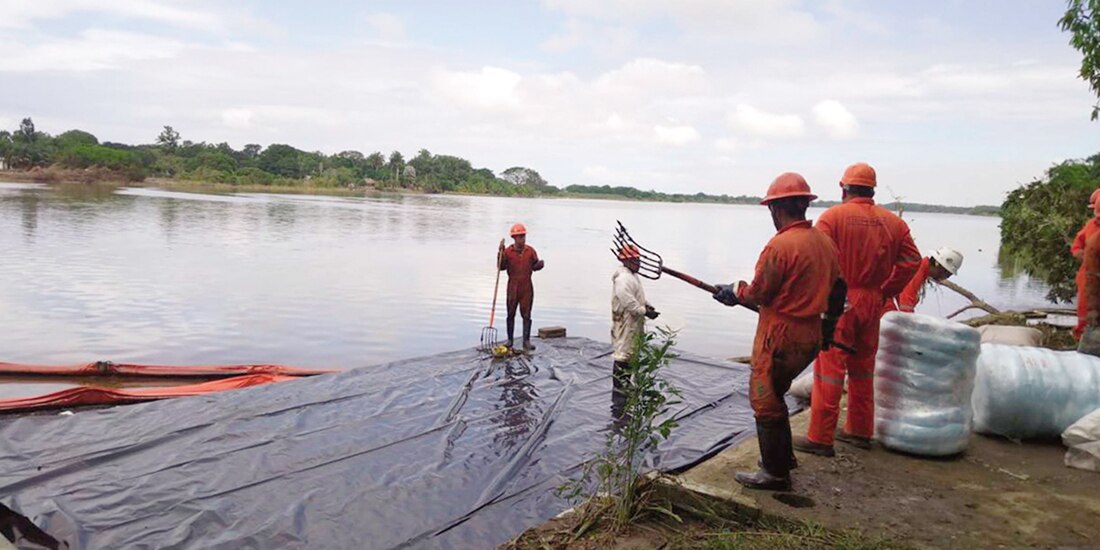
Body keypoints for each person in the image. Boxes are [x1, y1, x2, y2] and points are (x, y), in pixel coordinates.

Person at [712, 173, 843, 491]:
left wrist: (735, 290)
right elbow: (839, 288)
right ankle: (784, 459)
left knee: (765, 400)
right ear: (803, 204)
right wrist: (828, 328)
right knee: (778, 393)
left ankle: (774, 473)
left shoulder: (780, 245)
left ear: (777, 209)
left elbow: (760, 293)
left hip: (781, 335)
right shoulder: (824, 241)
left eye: (771, 209)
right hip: (811, 333)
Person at [794, 162, 921, 456]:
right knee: (863, 369)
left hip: (840, 301)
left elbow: (815, 257)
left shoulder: (833, 217)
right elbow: (912, 261)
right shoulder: (894, 223)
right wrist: (886, 289)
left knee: (829, 368)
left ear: (844, 189)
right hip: (872, 301)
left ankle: (820, 438)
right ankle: (860, 431)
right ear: (872, 189)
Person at [611, 244, 659, 418]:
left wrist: (647, 306)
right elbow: (629, 303)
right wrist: (644, 311)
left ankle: (626, 392)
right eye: (636, 260)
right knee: (623, 355)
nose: (639, 263)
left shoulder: (633, 276)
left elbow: (638, 298)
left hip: (633, 322)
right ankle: (618, 400)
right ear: (627, 261)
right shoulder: (623, 279)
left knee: (631, 355)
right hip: (625, 322)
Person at [499, 223, 545, 352]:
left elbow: (534, 265)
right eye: (519, 237)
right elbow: (501, 267)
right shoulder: (508, 252)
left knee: (526, 314)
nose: (522, 239)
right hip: (513, 287)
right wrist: (500, 253)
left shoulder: (530, 251)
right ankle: (510, 340)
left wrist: (539, 265)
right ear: (514, 238)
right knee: (510, 314)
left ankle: (526, 341)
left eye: (523, 236)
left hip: (526, 287)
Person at [882, 247, 964, 314]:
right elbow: (906, 302)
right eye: (946, 273)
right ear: (937, 264)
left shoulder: (920, 269)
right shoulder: (917, 269)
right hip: (880, 299)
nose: (945, 277)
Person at [1071, 189, 1100, 340]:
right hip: (1087, 276)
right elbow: (1077, 244)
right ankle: (1081, 339)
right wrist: (1081, 254)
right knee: (1085, 311)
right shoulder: (1090, 226)